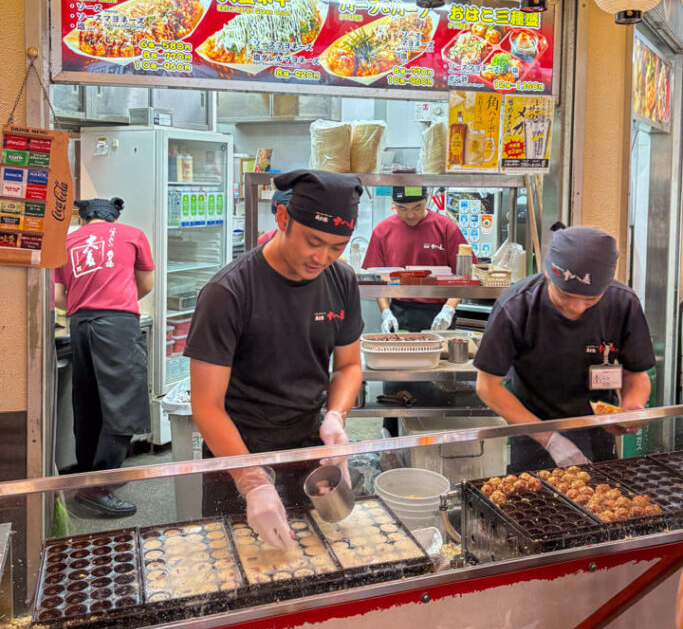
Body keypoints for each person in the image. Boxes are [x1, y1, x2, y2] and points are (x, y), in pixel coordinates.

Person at [186, 169, 364, 550]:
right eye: (314, 242)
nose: (323, 257)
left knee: (313, 562)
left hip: (307, 448)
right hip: (238, 449)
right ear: (283, 219)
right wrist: (251, 480)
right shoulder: (228, 292)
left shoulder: (342, 281)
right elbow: (205, 405)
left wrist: (335, 417)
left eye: (337, 247)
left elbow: (348, 365)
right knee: (235, 568)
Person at [474, 225, 654, 471]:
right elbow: (487, 386)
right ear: (549, 275)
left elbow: (637, 374)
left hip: (597, 429)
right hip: (532, 427)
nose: (577, 308)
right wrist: (551, 440)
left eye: (590, 300)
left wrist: (631, 409)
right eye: (566, 296)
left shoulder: (623, 303)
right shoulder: (516, 307)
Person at [54, 197, 154, 517]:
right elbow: (146, 284)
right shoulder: (133, 234)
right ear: (113, 218)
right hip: (117, 324)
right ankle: (100, 488)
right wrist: (116, 299)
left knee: (89, 403)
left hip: (80, 325)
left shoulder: (64, 241)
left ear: (83, 220)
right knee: (123, 403)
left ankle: (91, 477)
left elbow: (57, 297)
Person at [362, 185, 471, 434]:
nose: (409, 215)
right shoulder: (383, 231)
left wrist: (448, 311)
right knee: (397, 378)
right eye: (402, 209)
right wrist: (385, 312)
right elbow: (377, 280)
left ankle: (436, 433)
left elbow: (463, 276)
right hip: (400, 312)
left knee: (438, 380)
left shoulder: (446, 228)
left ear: (426, 201)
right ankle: (390, 430)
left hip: (439, 314)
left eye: (416, 208)